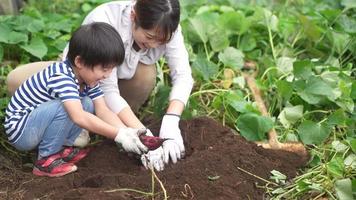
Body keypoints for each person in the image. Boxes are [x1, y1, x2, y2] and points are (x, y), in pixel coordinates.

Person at [6, 0, 194, 171]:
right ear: (133, 16)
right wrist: (120, 134)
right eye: (149, 36)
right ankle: (46, 160)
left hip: (97, 76)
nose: (154, 45)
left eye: (161, 41)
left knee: (88, 103)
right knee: (65, 104)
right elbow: (89, 105)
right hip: (78, 81)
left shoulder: (166, 25)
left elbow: (183, 75)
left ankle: (64, 144)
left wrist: (160, 125)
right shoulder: (102, 23)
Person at [4, 22, 148, 177]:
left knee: (86, 102)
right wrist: (117, 135)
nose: (107, 75)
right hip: (21, 130)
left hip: (37, 123)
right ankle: (45, 161)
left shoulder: (88, 79)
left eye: (111, 69)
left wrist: (126, 132)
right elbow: (78, 116)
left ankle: (61, 149)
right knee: (68, 108)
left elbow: (103, 110)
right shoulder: (62, 77)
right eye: (104, 69)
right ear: (79, 62)